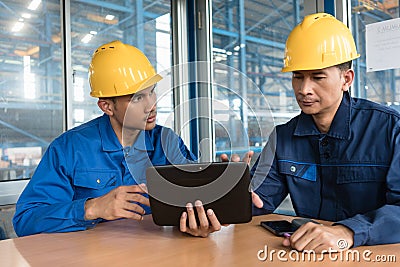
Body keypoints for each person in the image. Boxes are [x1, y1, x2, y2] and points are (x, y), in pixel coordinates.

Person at [13, 40, 223, 237]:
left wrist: (215, 202)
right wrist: (91, 208)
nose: (151, 105)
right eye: (137, 98)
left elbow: (199, 200)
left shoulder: (167, 142)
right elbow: (26, 221)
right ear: (107, 106)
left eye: (151, 92)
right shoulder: (69, 148)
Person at [251, 13, 400, 252]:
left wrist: (348, 231)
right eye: (297, 77)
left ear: (346, 79)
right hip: (307, 256)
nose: (304, 89)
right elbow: (257, 202)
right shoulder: (282, 139)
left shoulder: (390, 130)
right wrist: (228, 194)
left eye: (317, 77)